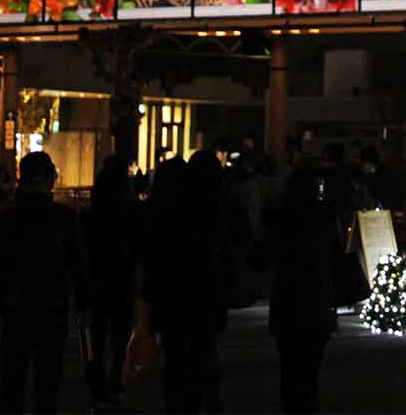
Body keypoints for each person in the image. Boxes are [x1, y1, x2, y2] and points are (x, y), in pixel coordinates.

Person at [0, 152, 88, 414]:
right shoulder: (63, 218)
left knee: (13, 379)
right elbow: (77, 264)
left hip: (15, 304)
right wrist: (83, 303)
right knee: (48, 381)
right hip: (52, 305)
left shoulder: (7, 219)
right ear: (47, 179)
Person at [142, 151, 238, 413]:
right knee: (203, 353)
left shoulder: (163, 212)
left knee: (174, 356)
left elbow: (151, 255)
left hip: (171, 293)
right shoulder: (211, 209)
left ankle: (178, 405)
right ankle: (203, 403)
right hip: (205, 292)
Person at [253, 164, 342, 412]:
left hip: (288, 298)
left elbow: (258, 259)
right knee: (310, 370)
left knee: (290, 368)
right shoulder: (325, 215)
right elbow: (336, 255)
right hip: (318, 297)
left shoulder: (282, 217)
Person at [83, 155, 140, 408]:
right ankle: (116, 378)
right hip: (122, 274)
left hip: (97, 274)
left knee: (97, 331)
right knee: (119, 331)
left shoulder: (91, 213)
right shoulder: (130, 209)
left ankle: (97, 380)